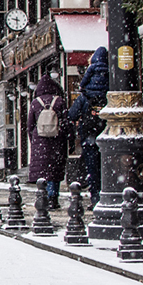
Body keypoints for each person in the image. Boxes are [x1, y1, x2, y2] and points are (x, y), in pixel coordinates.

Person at [69, 47, 109, 208]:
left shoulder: (85, 94)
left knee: (93, 170)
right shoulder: (112, 85)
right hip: (108, 136)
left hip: (90, 137)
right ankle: (110, 196)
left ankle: (96, 198)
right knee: (108, 168)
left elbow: (71, 115)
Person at [27, 75, 69, 209]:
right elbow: (66, 122)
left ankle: (43, 196)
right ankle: (53, 197)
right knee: (54, 171)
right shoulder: (60, 101)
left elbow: (29, 124)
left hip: (40, 141)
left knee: (42, 170)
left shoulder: (35, 102)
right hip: (57, 140)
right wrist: (68, 138)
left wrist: (33, 140)